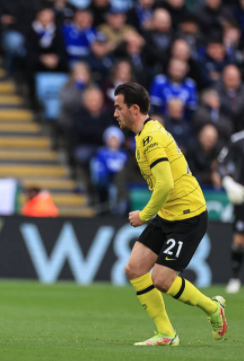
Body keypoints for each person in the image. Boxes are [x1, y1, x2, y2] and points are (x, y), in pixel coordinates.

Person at [114, 82, 227, 346]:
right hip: (169, 213)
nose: (115, 113)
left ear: (134, 109)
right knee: (134, 269)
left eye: (118, 107)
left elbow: (166, 185)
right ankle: (166, 334)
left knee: (162, 280)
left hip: (188, 215)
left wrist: (143, 215)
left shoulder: (151, 137)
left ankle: (213, 309)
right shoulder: (144, 135)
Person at [217, 129, 244, 294]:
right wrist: (227, 180)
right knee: (240, 239)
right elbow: (221, 163)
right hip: (242, 195)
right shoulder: (237, 140)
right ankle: (234, 278)